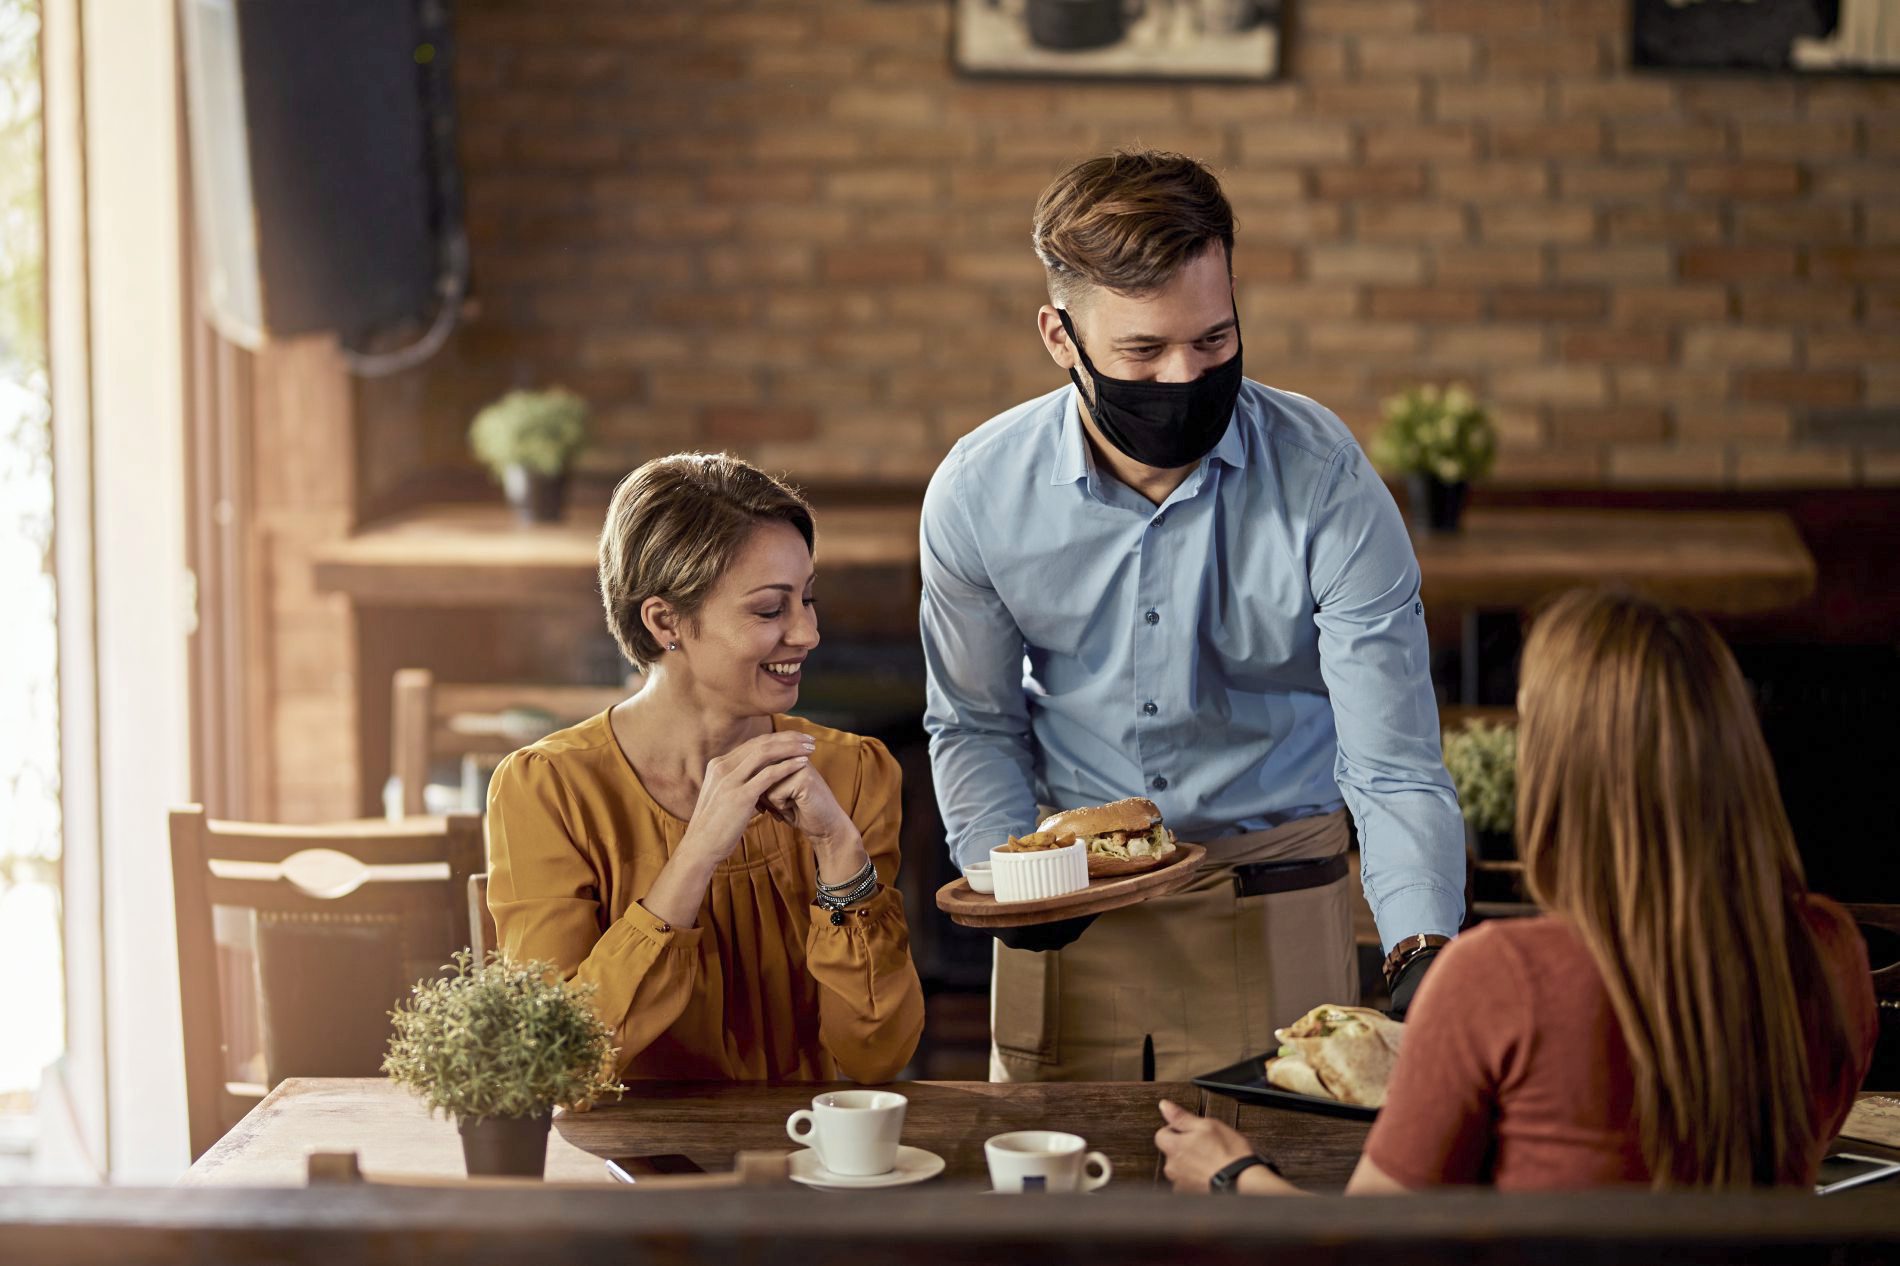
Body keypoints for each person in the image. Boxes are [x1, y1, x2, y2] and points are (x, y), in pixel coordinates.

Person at [920, 149, 1466, 1082]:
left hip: (1278, 896)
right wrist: (1008, 885)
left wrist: (1423, 947)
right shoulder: (977, 492)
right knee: (1055, 1211)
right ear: (1060, 337)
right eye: (1143, 350)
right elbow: (974, 723)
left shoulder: (1327, 478)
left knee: (1285, 1206)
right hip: (1070, 904)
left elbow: (1393, 760)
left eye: (1213, 341)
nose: (1183, 375)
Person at [1155, 588, 1878, 1192]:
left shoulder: (1501, 977)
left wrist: (1231, 1172)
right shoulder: (1830, 951)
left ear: (1567, 771)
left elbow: (1370, 1245)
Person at [486, 453, 925, 1082]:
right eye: (771, 611)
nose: (807, 634)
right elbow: (556, 1066)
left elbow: (877, 1053)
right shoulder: (549, 790)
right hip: (630, 1165)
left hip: (814, 1158)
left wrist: (838, 849)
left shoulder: (853, 773)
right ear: (666, 621)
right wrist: (696, 856)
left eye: (808, 600)